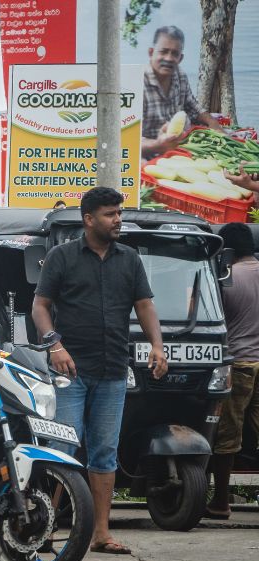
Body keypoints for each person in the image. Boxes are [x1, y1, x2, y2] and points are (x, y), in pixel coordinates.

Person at [32, 186, 168, 555]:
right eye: (110, 214)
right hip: (70, 371)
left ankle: (101, 534)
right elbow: (40, 307)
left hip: (112, 370)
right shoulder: (61, 256)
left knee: (105, 452)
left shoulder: (129, 258)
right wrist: (54, 345)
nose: (118, 220)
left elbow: (144, 305)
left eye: (119, 213)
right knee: (62, 448)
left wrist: (157, 344)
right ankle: (42, 528)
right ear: (88, 219)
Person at [207, 223, 259, 519]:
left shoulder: (227, 279)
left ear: (226, 251)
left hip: (238, 364)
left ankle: (221, 501)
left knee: (227, 433)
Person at [141, 26, 223, 159]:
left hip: (179, 148)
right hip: (146, 155)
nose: (168, 58)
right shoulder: (137, 83)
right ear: (151, 52)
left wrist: (213, 123)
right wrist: (158, 145)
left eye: (174, 53)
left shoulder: (180, 75)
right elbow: (124, 139)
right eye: (164, 51)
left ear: (180, 58)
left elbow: (193, 106)